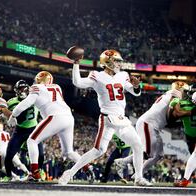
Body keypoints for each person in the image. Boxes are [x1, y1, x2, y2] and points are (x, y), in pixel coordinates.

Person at [58, 49, 151, 186]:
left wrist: (137, 86)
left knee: (137, 145)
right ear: (107, 62)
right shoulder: (97, 76)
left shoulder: (123, 75)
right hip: (107, 119)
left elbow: (135, 92)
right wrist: (76, 64)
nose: (119, 64)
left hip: (121, 118)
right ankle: (69, 173)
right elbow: (78, 82)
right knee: (98, 151)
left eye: (119, 61)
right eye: (116, 61)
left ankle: (138, 178)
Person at [8, 71, 83, 182]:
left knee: (31, 141)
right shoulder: (57, 87)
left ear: (39, 79)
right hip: (69, 118)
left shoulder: (37, 87)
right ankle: (87, 167)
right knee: (69, 152)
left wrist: (13, 115)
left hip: (55, 116)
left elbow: (26, 103)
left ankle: (34, 173)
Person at [114, 81, 188, 180]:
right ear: (180, 89)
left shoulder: (169, 94)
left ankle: (136, 174)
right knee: (148, 153)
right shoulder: (176, 94)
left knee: (158, 155)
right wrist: (187, 113)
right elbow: (172, 115)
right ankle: (123, 162)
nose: (186, 94)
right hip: (148, 124)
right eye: (185, 91)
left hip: (152, 125)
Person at [4, 80, 44, 182]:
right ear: (16, 91)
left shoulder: (34, 98)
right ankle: (9, 175)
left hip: (34, 129)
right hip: (20, 131)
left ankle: (34, 173)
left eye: (24, 89)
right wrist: (7, 115)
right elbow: (4, 111)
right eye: (20, 89)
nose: (22, 91)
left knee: (41, 155)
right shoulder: (11, 102)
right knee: (9, 155)